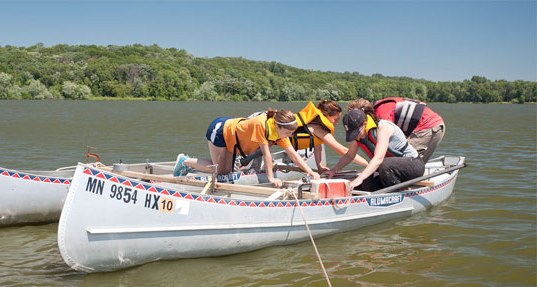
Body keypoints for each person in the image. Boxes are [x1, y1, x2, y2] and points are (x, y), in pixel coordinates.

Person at [173, 109, 320, 188]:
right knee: (218, 169)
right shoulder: (261, 124)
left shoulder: (280, 133)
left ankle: (189, 164)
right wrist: (271, 178)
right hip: (220, 131)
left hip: (231, 138)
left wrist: (310, 171)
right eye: (288, 133)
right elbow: (266, 154)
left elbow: (294, 155)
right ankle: (185, 161)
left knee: (225, 171)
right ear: (277, 126)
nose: (289, 136)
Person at [323, 108, 425, 192]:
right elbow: (349, 155)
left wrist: (359, 178)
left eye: (357, 132)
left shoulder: (383, 128)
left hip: (414, 165)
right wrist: (334, 170)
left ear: (365, 123)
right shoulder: (359, 135)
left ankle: (398, 193)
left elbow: (379, 159)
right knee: (365, 185)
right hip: (390, 170)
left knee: (384, 165)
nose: (356, 136)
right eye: (352, 133)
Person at [348, 97, 445, 163]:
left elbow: (385, 148)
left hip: (429, 126)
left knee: (409, 162)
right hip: (415, 126)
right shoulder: (371, 116)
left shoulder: (382, 117)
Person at [290, 100, 369, 171]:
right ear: (327, 115)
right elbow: (342, 151)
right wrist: (367, 165)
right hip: (281, 140)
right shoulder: (320, 129)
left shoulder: (315, 124)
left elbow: (317, 145)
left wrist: (319, 166)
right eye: (335, 119)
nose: (336, 123)